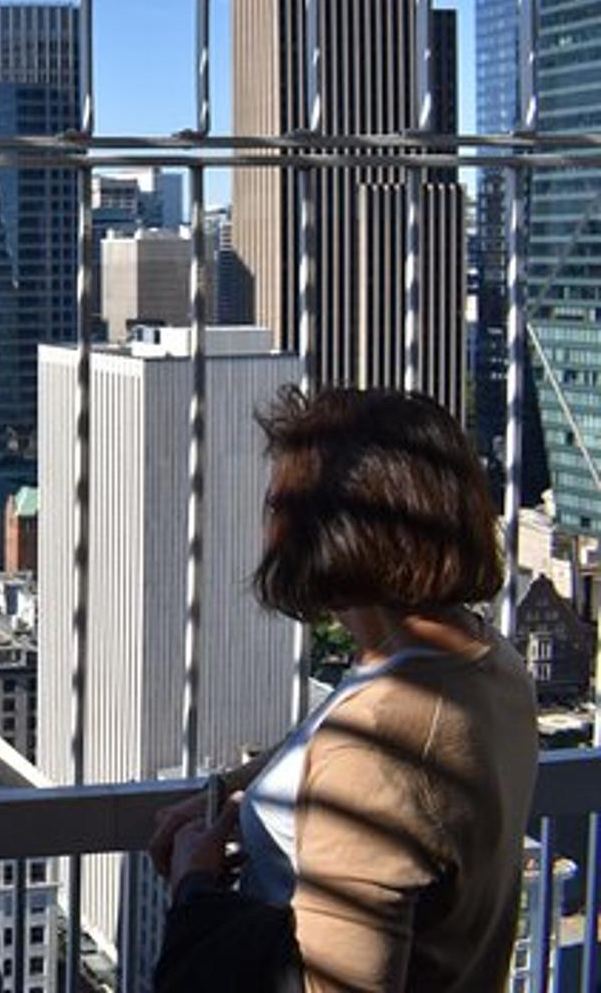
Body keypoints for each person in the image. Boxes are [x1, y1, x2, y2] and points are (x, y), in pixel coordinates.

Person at [151, 387, 537, 992]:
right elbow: (345, 736)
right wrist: (230, 794)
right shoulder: (484, 663)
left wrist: (194, 889)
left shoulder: (379, 743)